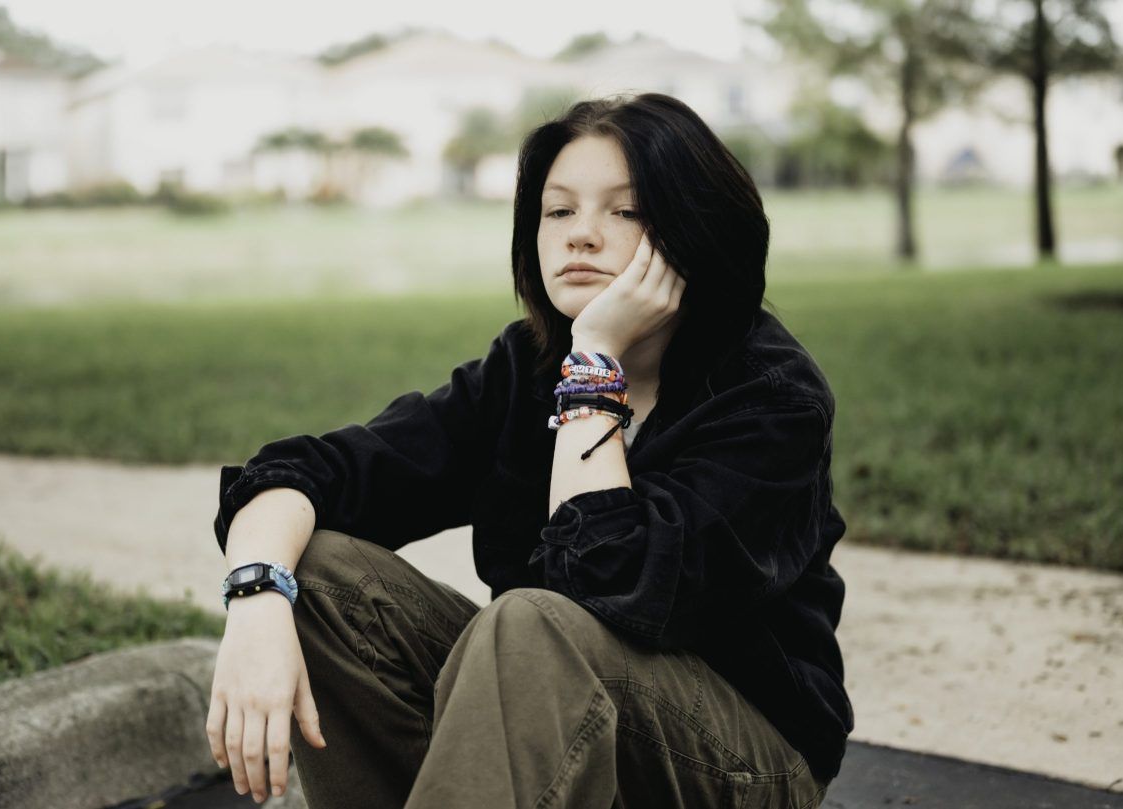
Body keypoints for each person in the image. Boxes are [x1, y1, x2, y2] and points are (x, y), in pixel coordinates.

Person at [205, 92, 852, 809]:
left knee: (532, 623)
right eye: (559, 210)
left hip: (742, 760)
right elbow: (319, 471)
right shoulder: (525, 368)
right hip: (550, 712)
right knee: (319, 573)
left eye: (626, 210)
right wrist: (258, 594)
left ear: (696, 227)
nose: (582, 235)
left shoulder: (770, 397)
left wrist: (595, 365)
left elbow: (602, 585)